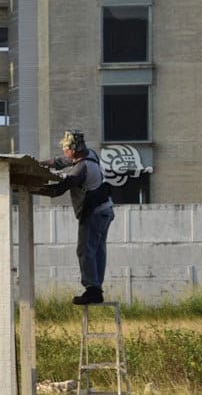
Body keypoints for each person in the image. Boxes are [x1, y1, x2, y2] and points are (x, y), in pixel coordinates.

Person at [38, 130, 114, 305]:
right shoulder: (89, 154)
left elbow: (58, 189)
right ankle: (96, 287)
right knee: (97, 250)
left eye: (66, 148)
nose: (64, 151)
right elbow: (60, 161)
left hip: (93, 213)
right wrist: (42, 164)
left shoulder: (80, 169)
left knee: (85, 250)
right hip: (106, 210)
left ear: (74, 149)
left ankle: (92, 290)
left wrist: (32, 188)